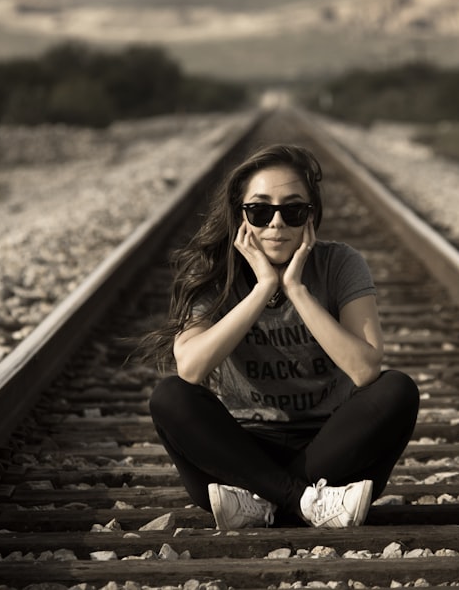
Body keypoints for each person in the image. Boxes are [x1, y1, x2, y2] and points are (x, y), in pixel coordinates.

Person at [145, 144, 419, 529]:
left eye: (292, 211)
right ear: (240, 215)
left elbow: (365, 370)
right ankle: (308, 502)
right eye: (260, 210)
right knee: (170, 396)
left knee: (398, 390)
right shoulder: (214, 271)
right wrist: (262, 289)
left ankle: (263, 504)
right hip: (240, 453)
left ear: (311, 216)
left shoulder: (340, 264)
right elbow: (190, 368)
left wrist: (296, 290)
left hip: (330, 448)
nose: (276, 224)